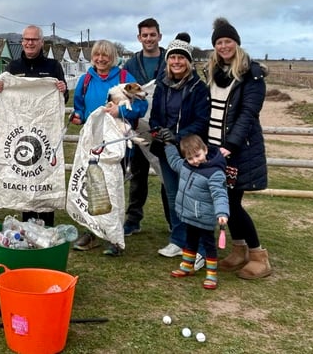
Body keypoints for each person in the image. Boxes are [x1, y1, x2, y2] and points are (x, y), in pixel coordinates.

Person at [206, 17, 272, 279]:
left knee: (232, 203)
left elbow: (248, 113)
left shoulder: (251, 75)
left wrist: (229, 145)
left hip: (238, 150)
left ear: (237, 43)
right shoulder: (212, 72)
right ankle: (239, 249)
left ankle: (259, 255)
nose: (224, 46)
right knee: (225, 202)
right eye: (219, 42)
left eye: (228, 41)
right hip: (214, 149)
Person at [70, 40, 148, 255]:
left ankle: (114, 237)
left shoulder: (124, 78)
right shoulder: (86, 80)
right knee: (93, 187)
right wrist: (78, 116)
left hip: (117, 143)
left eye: (105, 55)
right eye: (97, 55)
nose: (101, 59)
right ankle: (93, 233)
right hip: (94, 143)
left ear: (113, 57)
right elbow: (79, 106)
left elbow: (141, 105)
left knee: (113, 190)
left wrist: (121, 113)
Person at [0, 25, 68, 228]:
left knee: (44, 173)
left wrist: (62, 89)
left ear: (41, 42)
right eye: (26, 39)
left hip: (45, 132)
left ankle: (47, 226)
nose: (29, 43)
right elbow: (5, 96)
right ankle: (27, 226)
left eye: (34, 40)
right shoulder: (13, 67)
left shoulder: (53, 66)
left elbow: (63, 97)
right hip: (21, 131)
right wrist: (1, 88)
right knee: (25, 174)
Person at [149, 36, 210, 260]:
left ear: (189, 61)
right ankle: (178, 239)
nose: (176, 61)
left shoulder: (198, 88)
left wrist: (178, 135)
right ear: (168, 61)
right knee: (174, 194)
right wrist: (159, 130)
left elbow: (201, 120)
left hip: (190, 149)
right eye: (172, 57)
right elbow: (155, 115)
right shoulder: (162, 85)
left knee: (193, 197)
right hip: (167, 147)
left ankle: (200, 243)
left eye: (181, 58)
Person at [121, 18, 169, 236]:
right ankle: (133, 219)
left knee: (167, 172)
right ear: (139, 38)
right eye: (145, 35)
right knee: (137, 173)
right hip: (137, 126)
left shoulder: (171, 59)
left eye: (152, 35)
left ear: (159, 36)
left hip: (165, 125)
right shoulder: (131, 65)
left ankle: (173, 219)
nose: (149, 39)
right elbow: (123, 90)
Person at [164, 134, 229, 289]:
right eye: (190, 158)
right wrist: (168, 145)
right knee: (190, 240)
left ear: (205, 150)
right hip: (189, 215)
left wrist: (222, 213)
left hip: (205, 217)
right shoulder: (186, 165)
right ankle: (187, 266)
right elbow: (174, 162)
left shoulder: (214, 173)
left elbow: (220, 194)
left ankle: (211, 274)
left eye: (198, 155)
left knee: (208, 245)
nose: (195, 160)